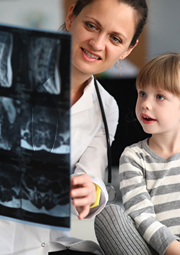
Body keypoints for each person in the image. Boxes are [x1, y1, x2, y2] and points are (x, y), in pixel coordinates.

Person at [0, 0, 148, 254]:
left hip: (47, 244)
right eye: (91, 26)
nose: (97, 44)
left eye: (115, 38)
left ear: (127, 49)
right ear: (71, 18)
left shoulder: (107, 106)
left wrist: (91, 193)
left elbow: (90, 177)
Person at [95, 52, 180, 255]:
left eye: (159, 96)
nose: (145, 104)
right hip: (154, 249)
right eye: (142, 93)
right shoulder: (133, 157)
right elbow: (141, 216)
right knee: (109, 215)